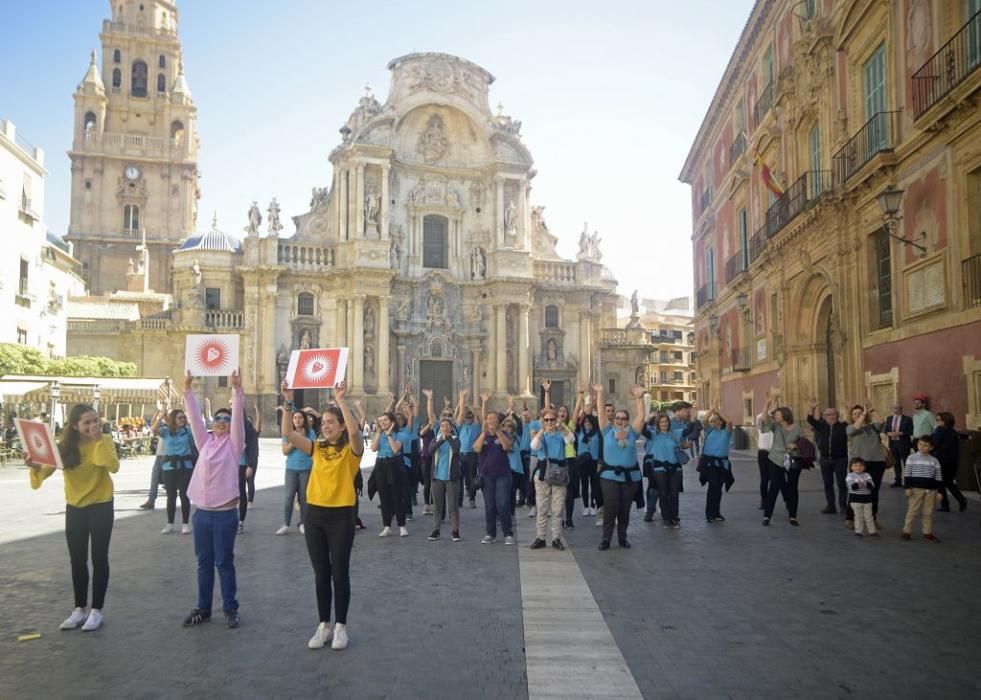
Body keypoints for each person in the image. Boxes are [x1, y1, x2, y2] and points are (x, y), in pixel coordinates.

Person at [280, 380, 363, 650]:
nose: (325, 425)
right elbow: (289, 435)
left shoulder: (352, 452)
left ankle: (341, 626)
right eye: (323, 422)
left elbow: (354, 432)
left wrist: (339, 400)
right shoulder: (317, 448)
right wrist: (287, 403)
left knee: (340, 572)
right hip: (314, 515)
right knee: (320, 573)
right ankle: (323, 625)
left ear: (340, 426)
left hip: (341, 516)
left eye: (331, 422)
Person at [28, 403, 119, 632]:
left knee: (99, 559)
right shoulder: (65, 447)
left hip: (101, 505)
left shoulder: (104, 440)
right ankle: (79, 609)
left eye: (95, 420)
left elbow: (113, 466)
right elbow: (44, 471)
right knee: (77, 561)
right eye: (87, 422)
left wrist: (99, 440)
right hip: (75, 507)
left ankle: (97, 610)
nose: (92, 426)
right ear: (75, 426)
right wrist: (34, 465)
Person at [182, 370, 246, 629]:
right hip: (202, 515)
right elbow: (195, 419)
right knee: (204, 563)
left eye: (226, 419)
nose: (221, 421)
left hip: (224, 515)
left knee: (224, 562)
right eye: (218, 418)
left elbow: (238, 421)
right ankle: (203, 607)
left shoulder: (234, 445)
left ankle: (230, 608)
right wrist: (186, 389)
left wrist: (236, 390)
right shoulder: (204, 442)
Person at [594, 384, 645, 549]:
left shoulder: (633, 432)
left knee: (624, 509)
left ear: (627, 420)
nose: (620, 420)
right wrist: (601, 393)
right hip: (609, 476)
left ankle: (622, 538)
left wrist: (639, 397)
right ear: (614, 419)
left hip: (630, 477)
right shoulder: (606, 431)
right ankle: (606, 539)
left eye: (623, 418)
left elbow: (642, 417)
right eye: (617, 418)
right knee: (611, 507)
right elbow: (601, 412)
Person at [528, 407, 575, 550]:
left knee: (557, 509)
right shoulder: (542, 435)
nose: (549, 422)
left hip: (559, 474)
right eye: (546, 420)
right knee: (542, 508)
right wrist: (542, 430)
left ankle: (556, 539)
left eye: (552, 420)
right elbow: (534, 446)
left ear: (556, 420)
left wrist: (562, 427)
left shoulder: (561, 433)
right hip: (543, 474)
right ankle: (540, 537)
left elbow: (571, 440)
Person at [151, 408, 195, 535]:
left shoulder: (188, 431)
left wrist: (190, 420)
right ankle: (170, 523)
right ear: (173, 419)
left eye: (183, 417)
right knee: (171, 496)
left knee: (184, 495)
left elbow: (199, 433)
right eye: (179, 417)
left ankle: (185, 524)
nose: (182, 420)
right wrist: (162, 416)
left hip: (185, 466)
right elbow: (153, 429)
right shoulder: (166, 431)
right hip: (169, 467)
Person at [473, 409, 515, 545]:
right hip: (486, 477)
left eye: (494, 419)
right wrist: (485, 433)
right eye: (489, 419)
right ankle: (490, 533)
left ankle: (508, 533)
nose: (491, 421)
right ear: (486, 421)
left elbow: (507, 446)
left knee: (502, 504)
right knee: (490, 505)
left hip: (503, 475)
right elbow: (477, 449)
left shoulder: (504, 434)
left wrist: (497, 432)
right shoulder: (482, 435)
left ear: (498, 421)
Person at [760, 405, 804, 526]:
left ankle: (793, 516)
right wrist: (766, 405)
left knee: (792, 487)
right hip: (776, 459)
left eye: (778, 414)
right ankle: (767, 516)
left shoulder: (797, 428)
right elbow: (764, 423)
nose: (775, 416)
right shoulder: (776, 425)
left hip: (793, 460)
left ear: (785, 415)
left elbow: (804, 443)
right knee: (773, 487)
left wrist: (796, 446)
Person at [845, 404, 885, 529]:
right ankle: (850, 518)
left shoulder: (872, 427)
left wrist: (873, 410)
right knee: (855, 491)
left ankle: (872, 519)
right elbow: (857, 426)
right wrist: (863, 415)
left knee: (873, 491)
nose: (857, 415)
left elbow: (881, 422)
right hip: (859, 464)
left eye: (860, 413)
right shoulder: (850, 427)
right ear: (851, 416)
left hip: (877, 462)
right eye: (855, 413)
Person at [807, 398, 849, 516]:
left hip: (840, 459)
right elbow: (810, 419)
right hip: (825, 459)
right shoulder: (821, 426)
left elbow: (852, 423)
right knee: (827, 483)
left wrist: (849, 409)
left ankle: (843, 505)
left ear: (837, 415)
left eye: (833, 414)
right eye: (827, 414)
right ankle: (831, 505)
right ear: (824, 416)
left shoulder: (843, 426)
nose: (830, 416)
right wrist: (812, 408)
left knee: (841, 483)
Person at [277, 409, 315, 535]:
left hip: (306, 468)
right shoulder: (288, 434)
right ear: (292, 420)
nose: (298, 420)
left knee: (304, 498)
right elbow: (285, 451)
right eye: (295, 418)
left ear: (304, 420)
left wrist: (303, 439)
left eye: (300, 417)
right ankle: (286, 524)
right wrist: (297, 439)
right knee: (289, 497)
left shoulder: (311, 433)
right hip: (291, 469)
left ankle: (304, 523)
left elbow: (311, 450)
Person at [642, 413, 682, 529]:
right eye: (662, 422)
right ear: (658, 424)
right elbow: (643, 432)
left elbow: (688, 431)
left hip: (675, 468)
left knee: (674, 495)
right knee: (663, 494)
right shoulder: (654, 435)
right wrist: (645, 419)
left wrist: (693, 420)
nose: (664, 424)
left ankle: (674, 518)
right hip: (659, 469)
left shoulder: (674, 433)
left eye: (666, 422)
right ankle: (666, 519)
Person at [901, 435, 943, 542]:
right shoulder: (911, 458)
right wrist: (907, 487)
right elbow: (907, 474)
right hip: (915, 490)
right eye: (920, 444)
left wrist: (940, 491)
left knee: (928, 512)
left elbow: (938, 477)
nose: (922, 447)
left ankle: (927, 533)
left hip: (931, 491)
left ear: (931, 447)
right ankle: (906, 532)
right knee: (912, 511)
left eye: (926, 445)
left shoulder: (934, 461)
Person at [372, 410, 408, 537]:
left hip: (394, 465)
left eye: (385, 420)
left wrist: (388, 435)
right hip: (381, 465)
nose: (382, 423)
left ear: (392, 422)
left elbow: (395, 449)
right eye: (380, 421)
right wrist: (378, 434)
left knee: (397, 497)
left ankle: (402, 525)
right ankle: (387, 526)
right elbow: (373, 448)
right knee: (384, 497)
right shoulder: (379, 434)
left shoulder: (400, 434)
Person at [426, 416, 462, 541]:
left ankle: (455, 530)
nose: (444, 428)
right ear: (439, 428)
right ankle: (436, 529)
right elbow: (431, 450)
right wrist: (441, 440)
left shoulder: (456, 439)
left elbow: (456, 450)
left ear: (451, 428)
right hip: (437, 478)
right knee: (437, 506)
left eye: (447, 426)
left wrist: (448, 438)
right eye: (442, 426)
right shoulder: (435, 439)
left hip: (451, 478)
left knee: (453, 506)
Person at [699, 408, 733, 523]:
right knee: (713, 487)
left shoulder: (726, 433)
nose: (713, 420)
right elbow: (704, 420)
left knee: (718, 488)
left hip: (722, 464)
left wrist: (719, 411)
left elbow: (729, 422)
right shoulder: (710, 430)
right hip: (710, 464)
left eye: (715, 418)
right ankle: (709, 513)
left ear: (720, 421)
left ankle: (716, 512)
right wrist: (713, 409)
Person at [933, 412, 967, 513]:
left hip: (941, 461)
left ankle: (945, 505)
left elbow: (934, 444)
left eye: (938, 420)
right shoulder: (954, 432)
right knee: (948, 482)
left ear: (945, 421)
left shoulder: (939, 431)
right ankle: (961, 500)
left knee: (940, 483)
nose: (937, 422)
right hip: (953, 461)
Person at [454, 389, 481, 509]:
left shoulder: (476, 426)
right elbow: (458, 416)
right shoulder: (460, 426)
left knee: (471, 477)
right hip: (461, 455)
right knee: (459, 479)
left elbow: (478, 417)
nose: (468, 418)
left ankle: (472, 498)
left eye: (470, 417)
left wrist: (471, 406)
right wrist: (462, 401)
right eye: (467, 416)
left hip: (472, 455)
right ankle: (459, 501)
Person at [140, 406, 168, 510]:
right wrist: (158, 411)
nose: (164, 417)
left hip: (168, 456)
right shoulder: (163, 427)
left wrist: (163, 413)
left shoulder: (171, 428)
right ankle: (151, 500)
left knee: (169, 481)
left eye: (166, 415)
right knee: (154, 478)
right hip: (159, 456)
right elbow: (152, 424)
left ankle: (175, 501)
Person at [846, 458, 878, 538]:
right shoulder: (850, 476)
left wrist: (862, 484)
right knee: (858, 516)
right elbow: (852, 487)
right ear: (851, 467)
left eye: (861, 465)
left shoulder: (867, 475)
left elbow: (872, 486)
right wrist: (863, 484)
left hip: (867, 500)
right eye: (855, 465)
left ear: (864, 467)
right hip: (855, 501)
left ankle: (872, 531)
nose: (858, 467)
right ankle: (858, 531)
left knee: (869, 517)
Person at [576, 412, 601, 517]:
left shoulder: (597, 433)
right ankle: (585, 506)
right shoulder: (580, 432)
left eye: (588, 421)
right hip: (583, 462)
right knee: (585, 485)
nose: (586, 423)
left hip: (594, 461)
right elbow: (578, 421)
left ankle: (592, 505)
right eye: (585, 421)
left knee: (594, 485)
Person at [885, 403, 913, 487]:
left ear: (901, 409)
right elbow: (885, 430)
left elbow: (911, 431)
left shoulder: (907, 419)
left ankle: (908, 482)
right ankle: (898, 481)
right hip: (893, 443)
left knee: (906, 463)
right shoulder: (889, 418)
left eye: (898, 408)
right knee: (896, 463)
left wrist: (901, 433)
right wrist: (888, 433)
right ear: (892, 409)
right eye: (894, 408)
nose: (896, 410)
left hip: (903, 443)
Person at [755, 400, 774, 510]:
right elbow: (763, 419)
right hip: (763, 452)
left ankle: (785, 499)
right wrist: (766, 405)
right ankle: (764, 500)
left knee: (776, 479)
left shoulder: (777, 421)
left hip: (775, 452)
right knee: (764, 478)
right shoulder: (760, 418)